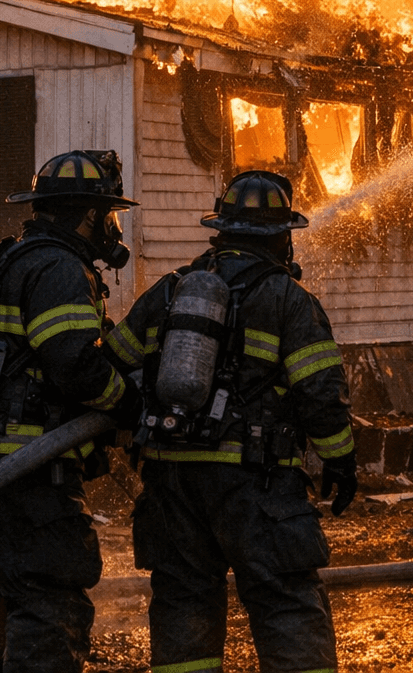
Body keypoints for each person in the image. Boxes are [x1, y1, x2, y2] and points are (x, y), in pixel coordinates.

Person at [104, 169, 356, 673]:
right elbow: (321, 394)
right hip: (255, 483)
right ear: (282, 237)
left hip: (170, 482)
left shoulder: (170, 290)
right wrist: (341, 461)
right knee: (284, 601)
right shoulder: (290, 301)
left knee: (184, 601)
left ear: (220, 230)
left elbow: (113, 363)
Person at [0, 150, 139, 673]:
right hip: (22, 465)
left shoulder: (7, 258)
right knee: (50, 602)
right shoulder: (59, 267)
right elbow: (73, 365)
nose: (110, 226)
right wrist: (130, 404)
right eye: (108, 214)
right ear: (89, 215)